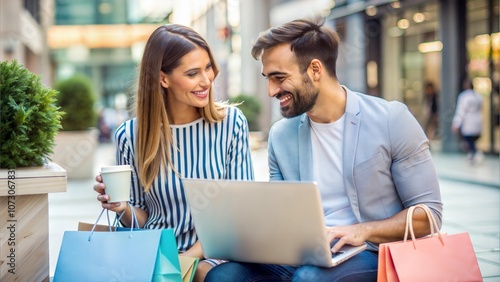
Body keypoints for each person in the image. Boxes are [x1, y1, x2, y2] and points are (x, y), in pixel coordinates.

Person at [205, 18, 443, 281]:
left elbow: (429, 216)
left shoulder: (391, 120)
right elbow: (281, 215)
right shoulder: (281, 135)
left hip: (374, 252)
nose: (271, 90)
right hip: (306, 256)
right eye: (268, 79)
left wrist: (361, 231)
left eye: (279, 78)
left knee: (310, 279)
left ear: (315, 69)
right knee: (224, 275)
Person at [92, 24, 254, 282]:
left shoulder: (231, 123)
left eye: (208, 68)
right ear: (163, 78)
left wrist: (186, 260)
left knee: (205, 274)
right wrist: (121, 207)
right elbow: (142, 217)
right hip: (155, 253)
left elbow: (240, 212)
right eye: (193, 73)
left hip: (214, 255)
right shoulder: (129, 136)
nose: (206, 80)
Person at [451, 78, 484, 164]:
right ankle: (471, 154)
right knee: (472, 140)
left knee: (468, 139)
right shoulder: (478, 96)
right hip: (477, 121)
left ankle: (475, 153)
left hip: (468, 122)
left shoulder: (464, 96)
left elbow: (461, 111)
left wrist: (456, 123)